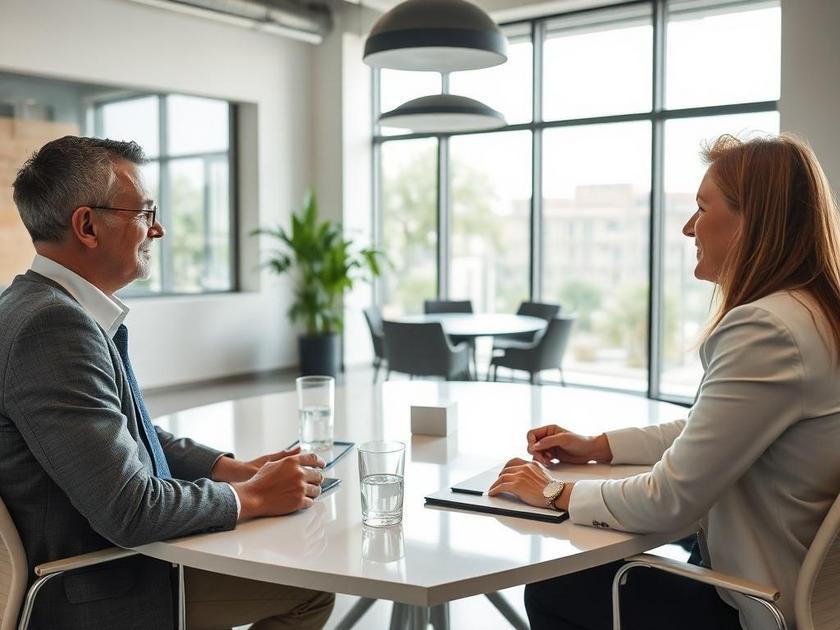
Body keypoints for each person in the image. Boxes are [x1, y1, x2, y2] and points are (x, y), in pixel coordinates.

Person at [489, 133, 840, 630]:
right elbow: (713, 428)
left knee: (556, 586)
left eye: (703, 207)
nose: (688, 227)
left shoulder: (768, 329)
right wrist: (600, 446)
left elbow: (667, 500)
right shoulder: (816, 315)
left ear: (753, 222)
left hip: (759, 605)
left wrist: (553, 493)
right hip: (807, 593)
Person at [0, 136, 335, 629]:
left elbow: (123, 435)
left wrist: (231, 469)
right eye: (144, 212)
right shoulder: (54, 328)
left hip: (96, 563)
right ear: (87, 225)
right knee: (309, 591)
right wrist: (256, 497)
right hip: (97, 588)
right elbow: (130, 510)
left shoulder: (37, 306)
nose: (157, 229)